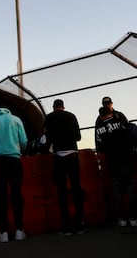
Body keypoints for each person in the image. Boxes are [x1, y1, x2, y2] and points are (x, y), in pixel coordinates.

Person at [42, 99, 85, 235]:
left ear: (54, 107)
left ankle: (66, 225)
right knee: (76, 189)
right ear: (63, 106)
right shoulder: (72, 116)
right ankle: (79, 224)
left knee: (62, 191)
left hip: (59, 157)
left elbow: (46, 139)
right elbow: (78, 137)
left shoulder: (49, 118)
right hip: (73, 155)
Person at [0, 107, 28, 243]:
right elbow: (24, 141)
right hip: (14, 160)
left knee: (2, 195)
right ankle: (19, 230)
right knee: (16, 193)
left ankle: (3, 232)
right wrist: (20, 150)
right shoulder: (16, 120)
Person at [95, 98, 137, 227]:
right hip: (127, 158)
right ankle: (133, 217)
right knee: (131, 188)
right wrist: (135, 148)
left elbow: (100, 146)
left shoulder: (99, 125)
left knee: (117, 190)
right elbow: (132, 132)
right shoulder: (120, 120)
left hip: (112, 162)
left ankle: (122, 218)